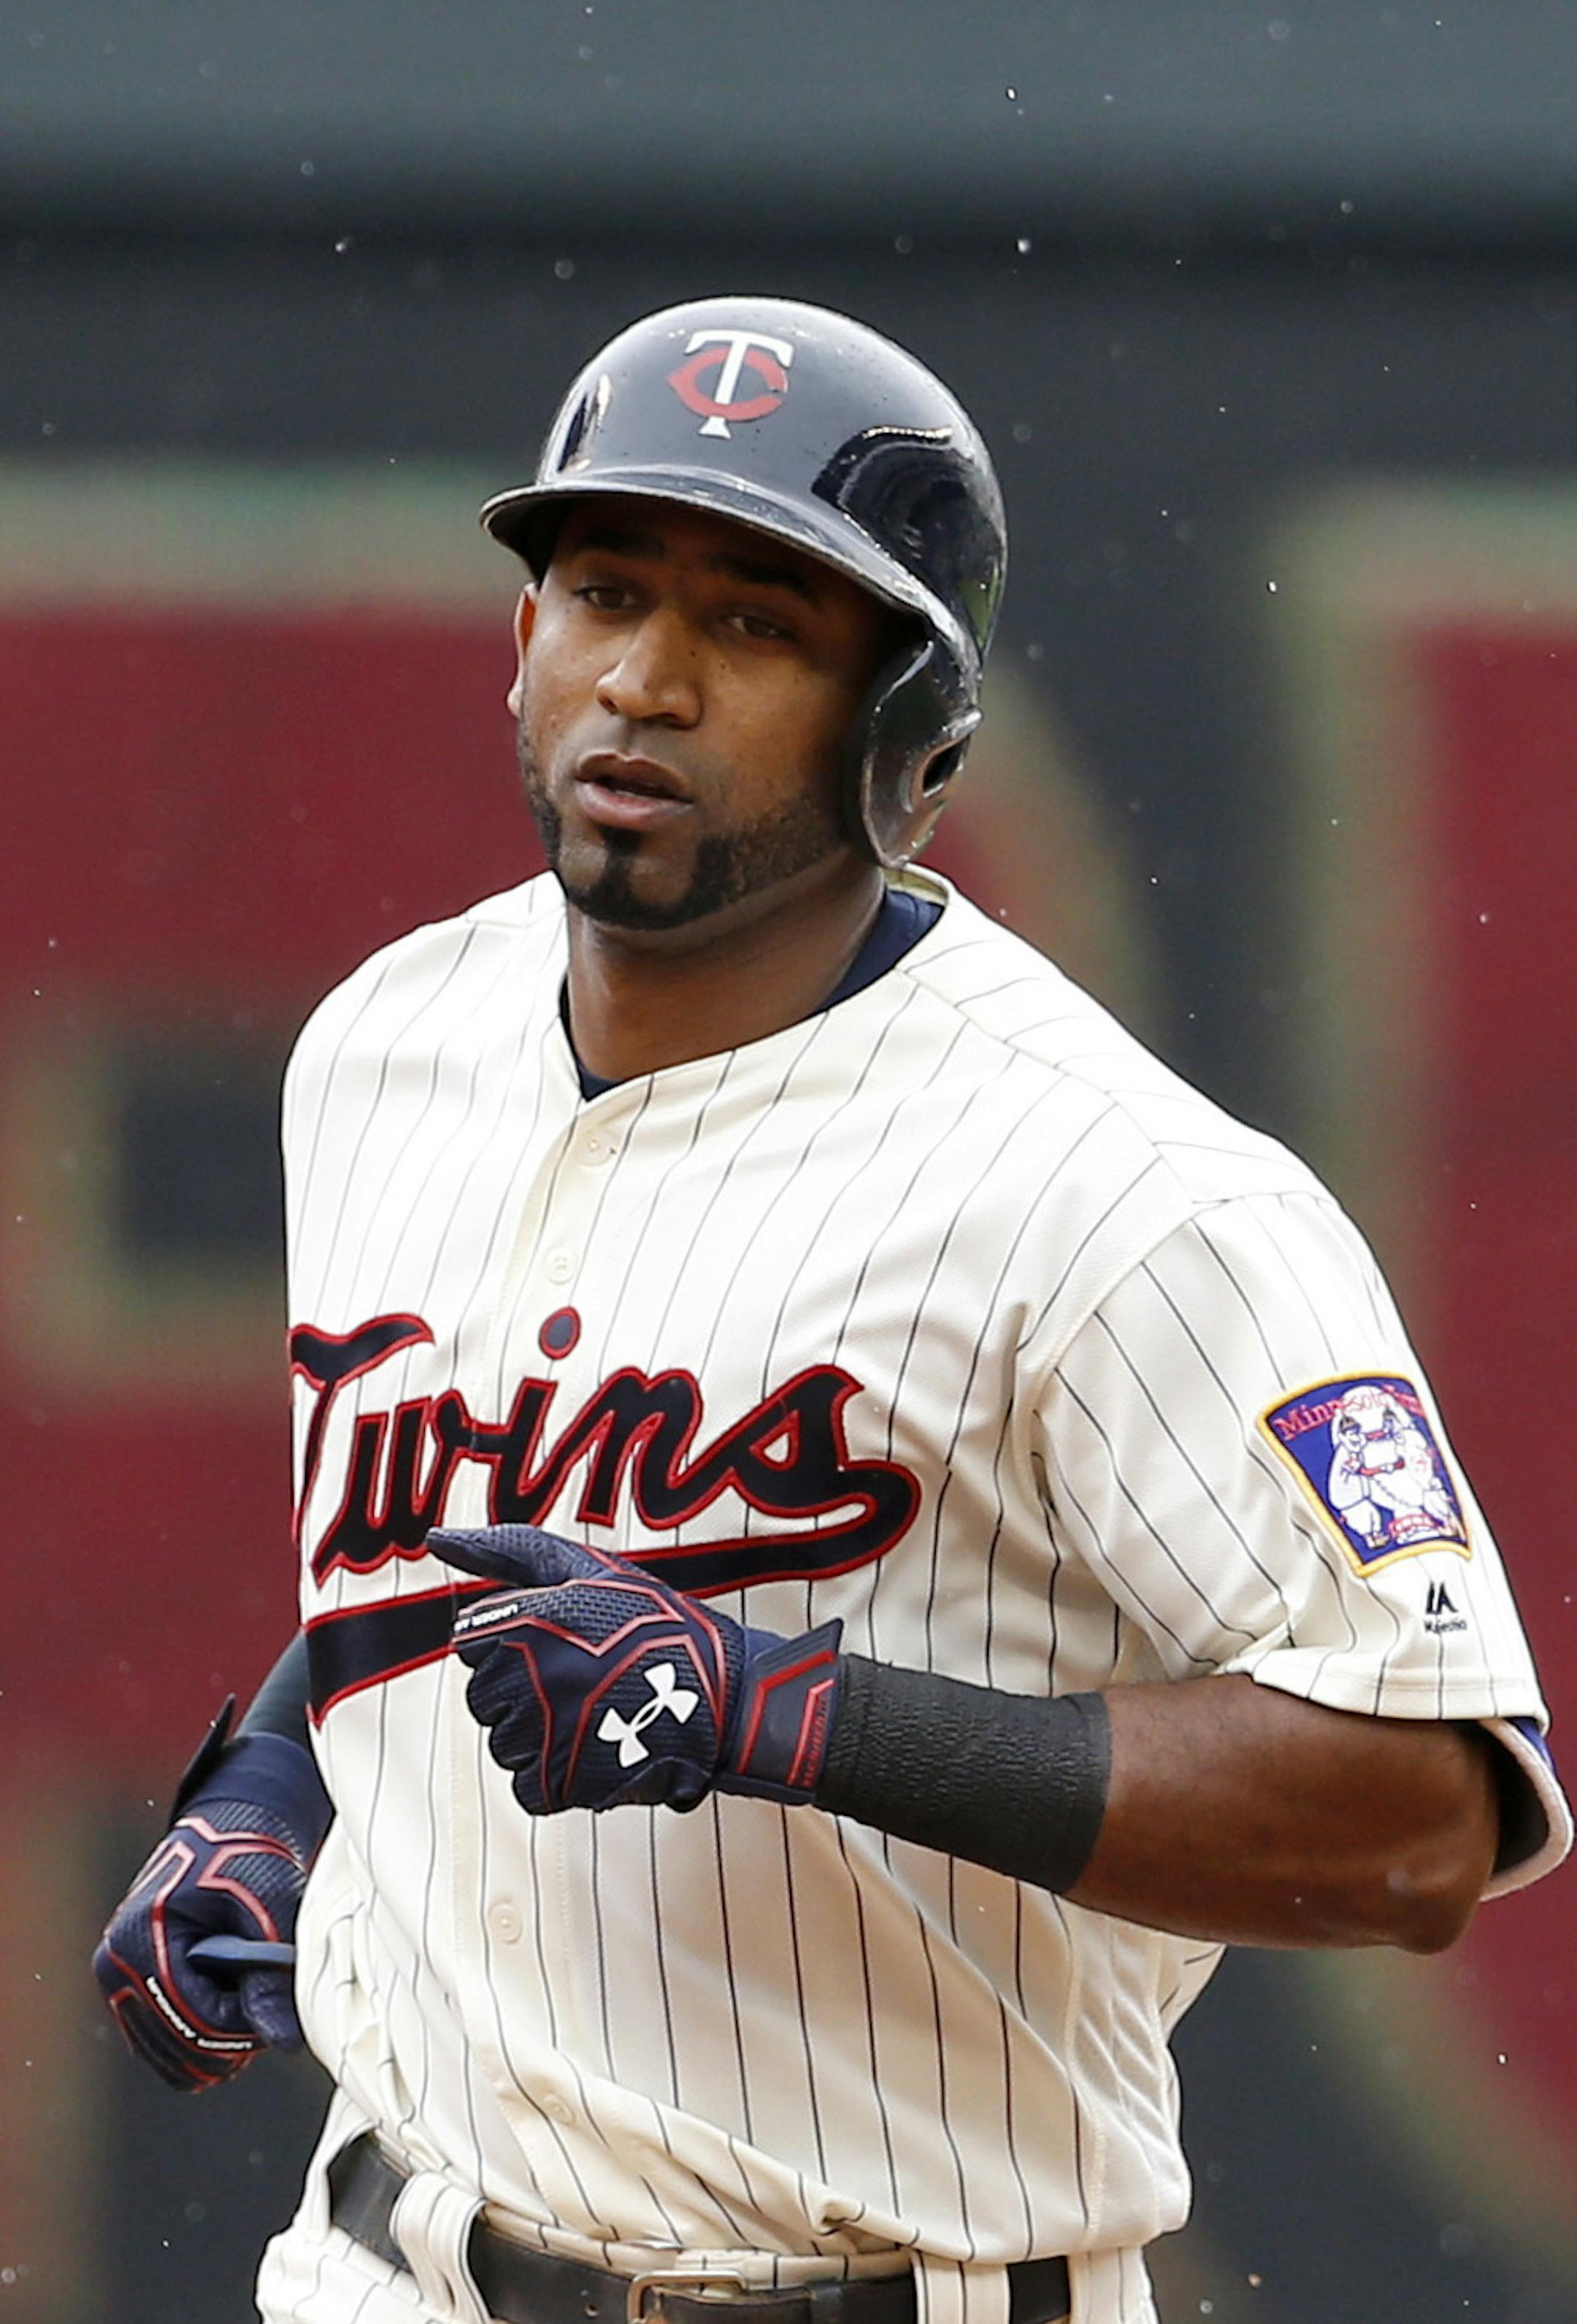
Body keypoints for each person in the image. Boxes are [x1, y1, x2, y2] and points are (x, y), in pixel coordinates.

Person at [95, 296, 1570, 2324]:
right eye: (606, 590)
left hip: (894, 2278)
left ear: (916, 739)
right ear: (521, 635)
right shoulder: (382, 1047)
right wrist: (274, 1777)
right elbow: (468, 1518)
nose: (649, 679)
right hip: (381, 2261)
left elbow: (1422, 1819)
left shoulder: (1127, 1196)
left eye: (758, 624)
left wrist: (796, 1716)